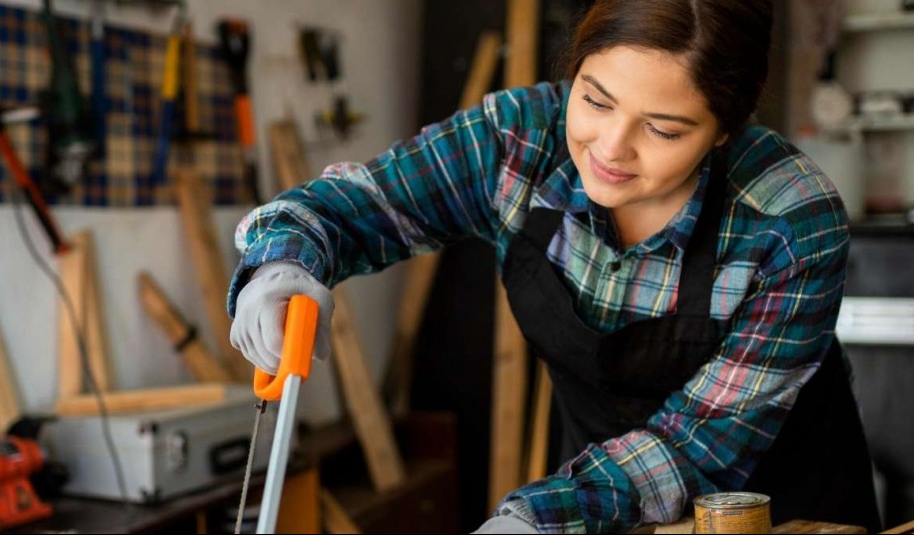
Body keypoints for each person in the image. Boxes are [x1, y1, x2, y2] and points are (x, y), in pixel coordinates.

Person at [228, 1, 882, 532]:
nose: (610, 148)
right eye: (594, 100)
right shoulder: (518, 140)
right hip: (590, 500)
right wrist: (283, 261)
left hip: (781, 506)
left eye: (662, 129)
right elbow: (351, 207)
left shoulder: (788, 219)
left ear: (723, 129)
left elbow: (699, 445)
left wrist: (533, 520)